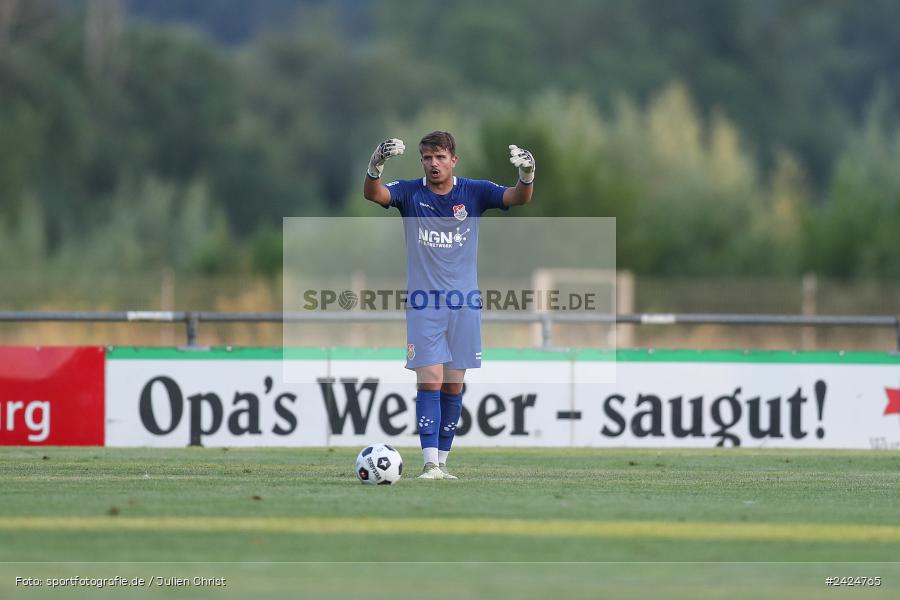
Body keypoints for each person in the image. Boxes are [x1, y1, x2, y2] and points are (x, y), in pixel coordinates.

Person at [363, 131, 535, 479]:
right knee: (431, 379)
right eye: (427, 158)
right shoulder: (410, 193)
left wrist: (527, 175)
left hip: (465, 303)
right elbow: (374, 193)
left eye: (440, 157)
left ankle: (441, 463)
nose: (433, 164)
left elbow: (518, 198)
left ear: (453, 159)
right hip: (424, 303)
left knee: (454, 384)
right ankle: (428, 462)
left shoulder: (474, 191)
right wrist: (375, 165)